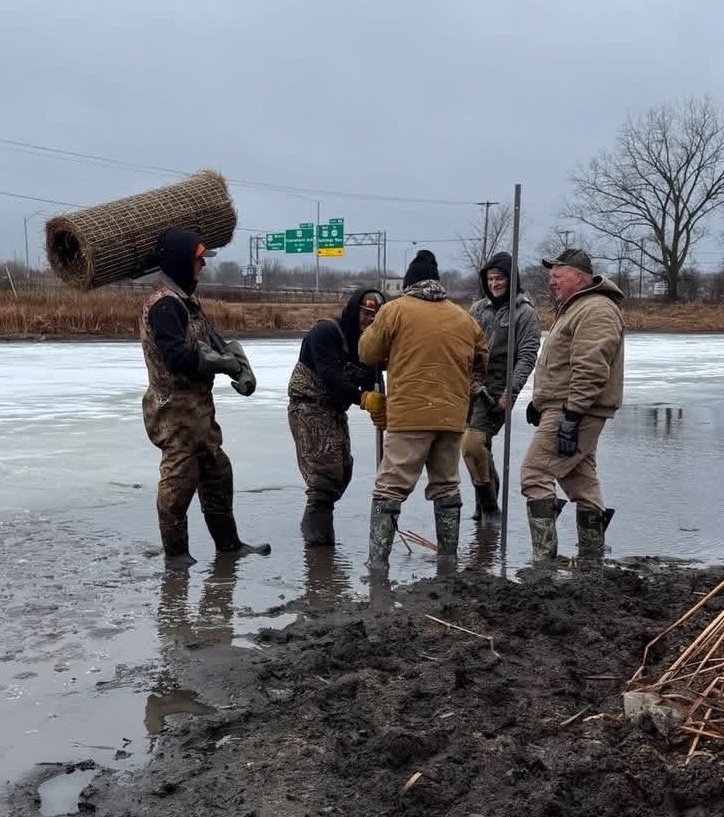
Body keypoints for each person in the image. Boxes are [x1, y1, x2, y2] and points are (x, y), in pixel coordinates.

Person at [139, 226, 269, 569]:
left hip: (199, 413)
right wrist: (224, 365)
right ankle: (177, 556)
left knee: (217, 474)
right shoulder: (164, 305)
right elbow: (177, 357)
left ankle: (229, 546)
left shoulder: (186, 300)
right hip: (174, 414)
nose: (204, 266)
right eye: (199, 260)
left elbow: (211, 339)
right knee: (179, 483)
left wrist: (237, 360)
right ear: (183, 261)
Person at [358, 249, 488, 573]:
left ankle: (377, 564)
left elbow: (367, 352)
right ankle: (448, 559)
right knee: (446, 484)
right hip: (452, 417)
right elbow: (483, 358)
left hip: (409, 415)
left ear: (409, 283)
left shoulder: (395, 311)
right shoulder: (464, 318)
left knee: (390, 486)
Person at [520, 248, 624, 566]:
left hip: (576, 410)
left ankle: (544, 562)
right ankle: (592, 562)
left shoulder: (596, 310)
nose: (551, 281)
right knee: (580, 480)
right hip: (564, 406)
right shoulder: (578, 308)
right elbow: (564, 363)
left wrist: (571, 416)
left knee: (535, 474)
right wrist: (542, 402)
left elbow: (591, 368)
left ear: (578, 276)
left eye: (557, 275)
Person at [287, 286, 387, 546]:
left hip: (335, 410)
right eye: (365, 314)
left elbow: (373, 380)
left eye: (375, 316)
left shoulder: (369, 345)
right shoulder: (327, 332)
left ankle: (313, 520)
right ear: (354, 311)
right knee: (325, 477)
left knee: (343, 471)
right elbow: (330, 376)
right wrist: (363, 399)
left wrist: (380, 409)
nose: (369, 321)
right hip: (309, 406)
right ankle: (319, 545)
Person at [462, 251, 542, 521]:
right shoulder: (477, 309)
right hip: (470, 387)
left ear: (511, 280)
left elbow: (528, 356)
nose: (495, 284)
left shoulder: (525, 313)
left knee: (472, 445)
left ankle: (489, 507)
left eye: (500, 278)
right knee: (478, 447)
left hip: (498, 390)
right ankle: (485, 504)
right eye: (491, 279)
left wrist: (511, 391)